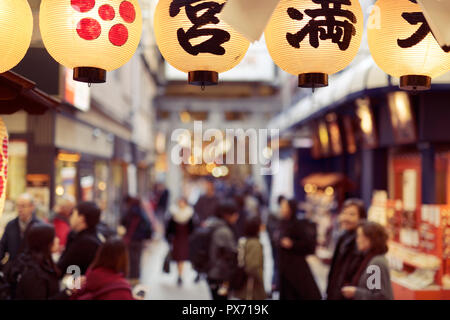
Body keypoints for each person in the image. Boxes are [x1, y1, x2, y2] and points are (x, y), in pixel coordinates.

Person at [278, 198, 321, 300]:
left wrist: (292, 244)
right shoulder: (283, 223)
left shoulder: (298, 224)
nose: (282, 209)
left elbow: (309, 246)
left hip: (296, 269)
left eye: (284, 207)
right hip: (285, 268)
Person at [5, 223, 62, 300]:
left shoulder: (43, 260)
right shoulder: (33, 272)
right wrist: (67, 292)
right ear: (45, 242)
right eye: (54, 237)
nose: (57, 239)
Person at [326, 198, 367, 300]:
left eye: (352, 214)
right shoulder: (343, 237)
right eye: (344, 213)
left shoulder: (362, 242)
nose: (346, 218)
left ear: (362, 218)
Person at [341, 221, 393, 300]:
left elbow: (381, 296)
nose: (357, 240)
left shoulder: (377, 262)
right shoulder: (368, 258)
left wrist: (355, 292)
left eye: (360, 236)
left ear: (371, 238)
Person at [57, 202, 102, 277]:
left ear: (81, 218)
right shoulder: (92, 237)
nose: (70, 217)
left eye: (73, 214)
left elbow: (63, 267)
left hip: (79, 285)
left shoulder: (84, 242)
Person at [206, 200, 239, 300]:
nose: (237, 216)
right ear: (227, 215)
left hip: (210, 271)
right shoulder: (224, 231)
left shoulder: (212, 225)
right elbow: (232, 252)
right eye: (234, 214)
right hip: (220, 274)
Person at [0, 194, 41, 267]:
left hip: (33, 270)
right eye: (18, 206)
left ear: (32, 207)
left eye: (23, 206)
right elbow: (2, 248)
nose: (20, 209)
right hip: (13, 270)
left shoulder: (40, 226)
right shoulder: (11, 225)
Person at [233, 216, 267, 300]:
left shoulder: (244, 241)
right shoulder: (255, 244)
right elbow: (253, 267)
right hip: (251, 287)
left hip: (243, 284)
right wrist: (261, 279)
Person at [121, 196, 152, 284]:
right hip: (139, 240)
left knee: (130, 258)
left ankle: (130, 276)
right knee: (137, 258)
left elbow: (122, 222)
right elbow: (147, 225)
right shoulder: (142, 212)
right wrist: (146, 237)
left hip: (130, 239)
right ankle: (136, 277)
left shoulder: (128, 211)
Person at [166, 198, 194, 286]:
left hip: (185, 239)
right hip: (177, 239)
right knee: (178, 258)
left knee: (182, 258)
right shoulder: (174, 214)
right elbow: (169, 229)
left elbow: (193, 229)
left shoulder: (189, 214)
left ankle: (180, 275)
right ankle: (179, 274)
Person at [267, 195, 284, 296]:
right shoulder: (279, 214)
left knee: (276, 265)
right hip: (278, 244)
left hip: (274, 243)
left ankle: (274, 284)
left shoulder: (272, 212)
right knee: (278, 265)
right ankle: (275, 284)